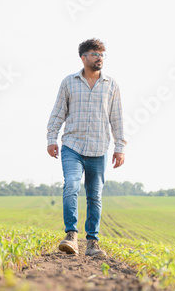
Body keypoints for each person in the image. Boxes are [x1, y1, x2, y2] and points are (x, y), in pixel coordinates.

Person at [46, 38, 126, 256]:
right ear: (83, 57)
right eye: (95, 54)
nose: (100, 58)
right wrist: (51, 138)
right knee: (71, 184)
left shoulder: (112, 85)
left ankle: (92, 243)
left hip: (99, 148)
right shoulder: (69, 82)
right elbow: (58, 112)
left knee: (95, 195)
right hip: (72, 145)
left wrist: (120, 146)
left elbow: (117, 118)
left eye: (102, 54)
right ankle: (71, 235)